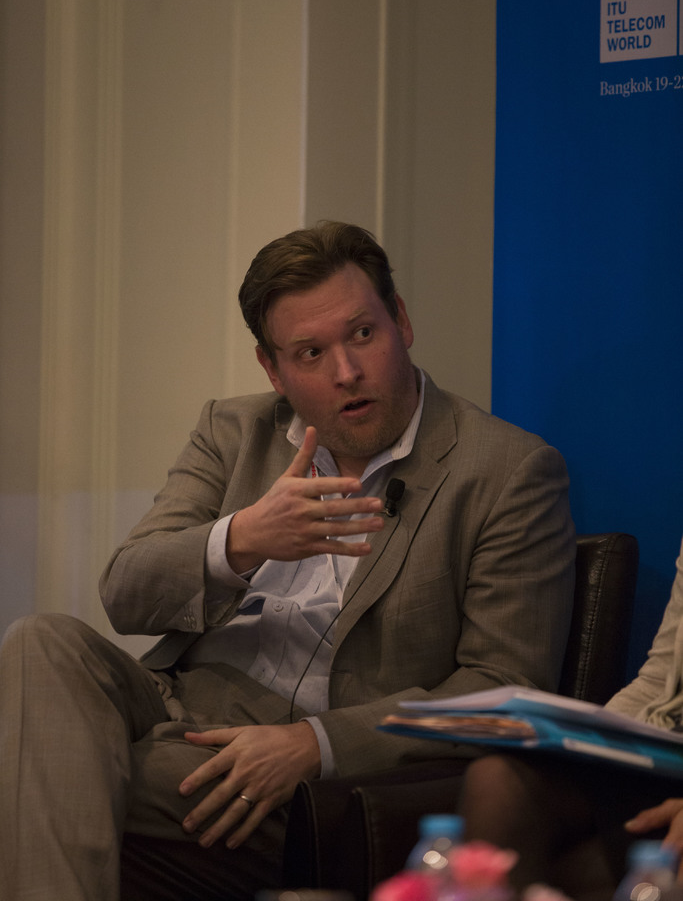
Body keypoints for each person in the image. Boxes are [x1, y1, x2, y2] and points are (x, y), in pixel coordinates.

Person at [0, 221, 576, 901]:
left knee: (43, 766)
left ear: (400, 321)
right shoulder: (232, 431)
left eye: (363, 333)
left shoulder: (505, 471)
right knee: (41, 640)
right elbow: (126, 593)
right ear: (273, 369)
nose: (347, 372)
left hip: (308, 769)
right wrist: (240, 539)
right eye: (310, 352)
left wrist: (316, 743)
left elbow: (502, 685)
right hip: (173, 706)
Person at [458, 536, 683, 901]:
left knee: (577, 870)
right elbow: (660, 680)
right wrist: (583, 740)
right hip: (667, 757)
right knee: (500, 776)